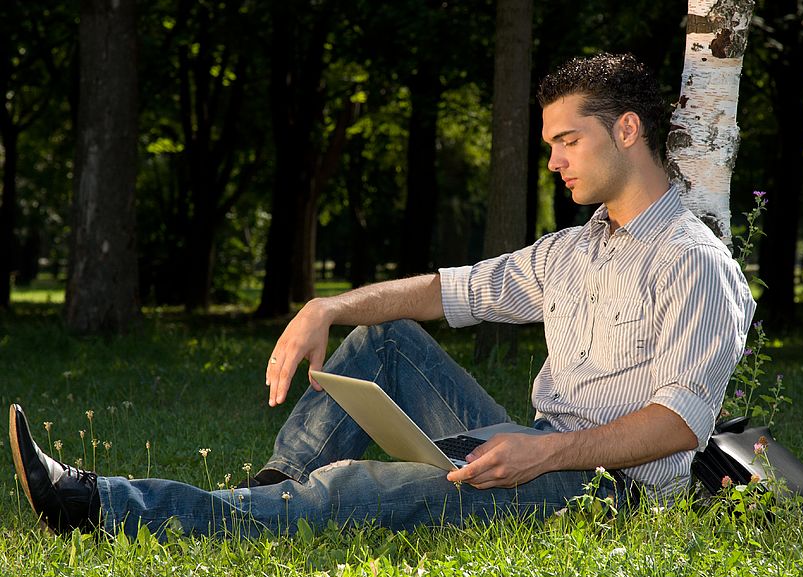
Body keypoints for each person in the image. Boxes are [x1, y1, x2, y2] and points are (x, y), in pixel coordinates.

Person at [9, 52, 756, 539]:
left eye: (567, 140)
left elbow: (679, 423)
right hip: (536, 449)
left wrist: (541, 453)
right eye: (550, 143)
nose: (553, 159)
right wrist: (325, 308)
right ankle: (268, 499)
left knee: (351, 488)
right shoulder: (571, 249)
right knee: (382, 342)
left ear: (626, 130)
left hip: (605, 499)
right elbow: (443, 291)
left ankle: (96, 502)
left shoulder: (695, 263)